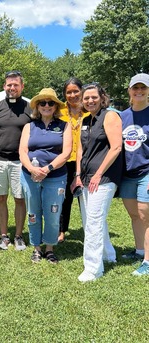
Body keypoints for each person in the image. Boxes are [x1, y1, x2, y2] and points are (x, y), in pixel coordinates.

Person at [72, 83, 122, 282]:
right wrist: (77, 175)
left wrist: (99, 173)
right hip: (85, 177)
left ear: (102, 98)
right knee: (91, 220)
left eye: (94, 97)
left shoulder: (110, 116)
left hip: (104, 178)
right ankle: (108, 255)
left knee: (93, 221)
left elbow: (116, 147)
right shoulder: (86, 120)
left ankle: (93, 269)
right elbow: (80, 151)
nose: (90, 101)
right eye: (86, 98)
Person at [19, 88, 72, 263]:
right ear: (37, 106)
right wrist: (33, 169)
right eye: (43, 103)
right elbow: (22, 151)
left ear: (56, 106)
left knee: (53, 212)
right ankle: (36, 247)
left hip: (55, 176)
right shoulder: (29, 126)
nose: (46, 106)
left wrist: (47, 169)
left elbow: (66, 153)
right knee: (33, 212)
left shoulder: (65, 125)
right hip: (30, 175)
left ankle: (49, 247)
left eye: (50, 103)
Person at [0, 71, 32, 250]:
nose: (12, 88)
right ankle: (3, 236)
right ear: (4, 86)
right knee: (1, 198)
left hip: (20, 162)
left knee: (20, 199)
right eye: (9, 85)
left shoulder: (29, 108)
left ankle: (19, 235)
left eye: (16, 85)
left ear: (22, 87)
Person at [118, 73, 149, 276]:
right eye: (135, 88)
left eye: (143, 88)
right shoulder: (121, 116)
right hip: (127, 173)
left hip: (147, 171)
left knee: (145, 215)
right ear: (129, 90)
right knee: (134, 214)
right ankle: (139, 251)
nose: (139, 91)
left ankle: (148, 261)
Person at [58, 78, 89, 243]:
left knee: (85, 198)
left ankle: (90, 230)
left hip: (87, 161)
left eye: (76, 91)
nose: (72, 95)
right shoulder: (59, 110)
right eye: (68, 92)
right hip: (65, 160)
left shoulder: (90, 110)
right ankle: (61, 230)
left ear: (82, 91)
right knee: (64, 198)